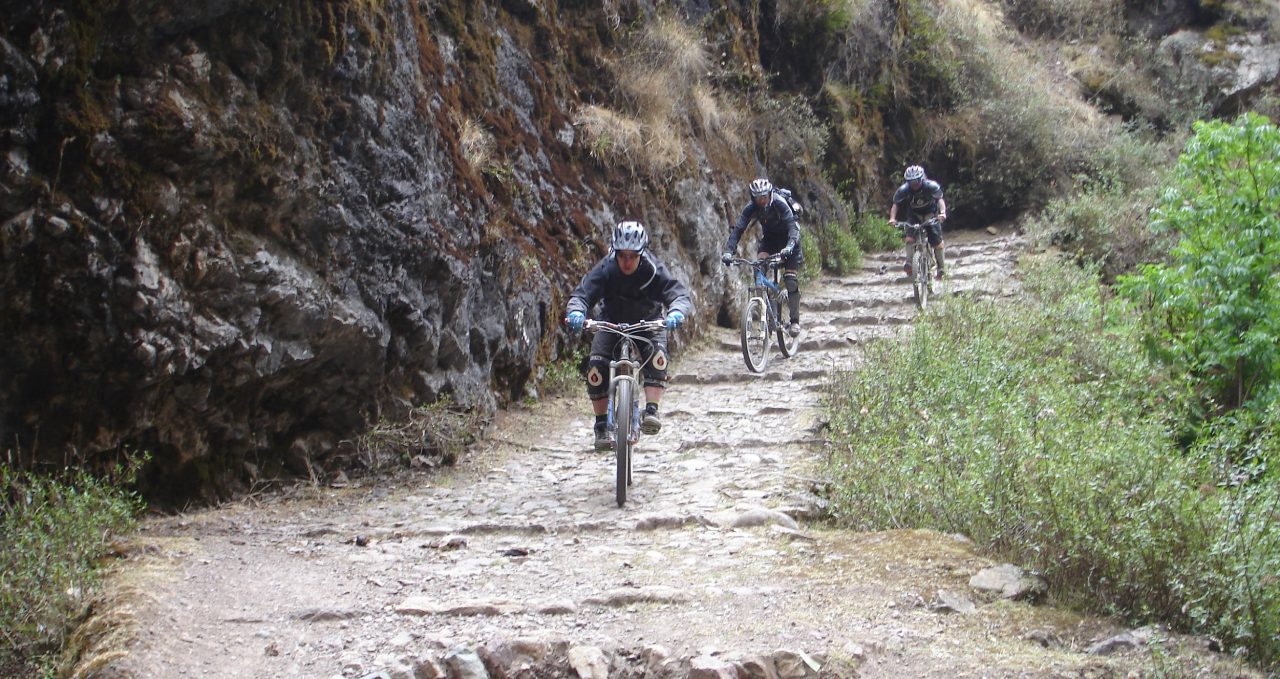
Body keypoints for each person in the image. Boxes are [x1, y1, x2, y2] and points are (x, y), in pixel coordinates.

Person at [565, 220, 694, 451]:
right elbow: (582, 295)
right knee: (596, 367)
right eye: (621, 255)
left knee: (658, 357)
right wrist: (576, 312)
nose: (626, 261)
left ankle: (652, 410)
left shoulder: (653, 269)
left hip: (648, 320)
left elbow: (678, 295)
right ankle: (602, 424)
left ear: (641, 253)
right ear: (614, 252)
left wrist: (676, 313)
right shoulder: (606, 269)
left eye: (632, 256)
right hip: (611, 321)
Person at [719, 177, 803, 336]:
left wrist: (789, 246)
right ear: (753, 197)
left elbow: (792, 227)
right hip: (770, 240)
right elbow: (738, 230)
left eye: (764, 197)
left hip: (790, 241)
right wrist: (729, 251)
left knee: (791, 280)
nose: (761, 200)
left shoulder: (779, 204)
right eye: (758, 198)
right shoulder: (751, 208)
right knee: (758, 268)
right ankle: (764, 308)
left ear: (770, 194)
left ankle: (794, 322)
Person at [888, 165, 948, 279]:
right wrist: (892, 218)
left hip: (931, 214)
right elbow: (896, 204)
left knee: (937, 243)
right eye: (911, 182)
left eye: (916, 182)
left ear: (922, 179)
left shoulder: (931, 186)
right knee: (909, 238)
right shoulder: (904, 190)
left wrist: (942, 213)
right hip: (914, 215)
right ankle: (910, 263)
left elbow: (940, 200)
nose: (914, 185)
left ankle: (941, 268)